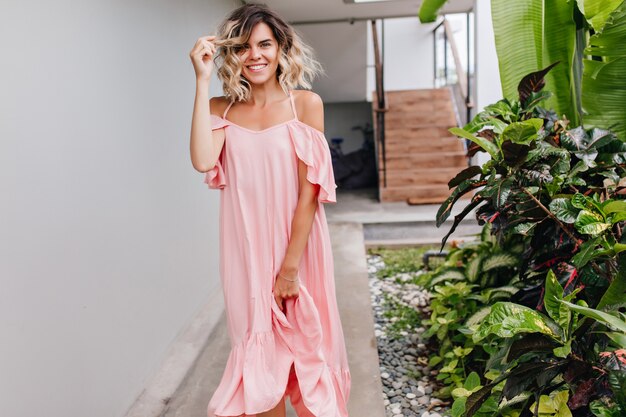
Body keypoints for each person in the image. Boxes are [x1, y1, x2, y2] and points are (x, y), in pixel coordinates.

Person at [188, 3, 351, 417]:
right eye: (242, 47)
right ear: (231, 55)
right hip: (246, 255)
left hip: (298, 252)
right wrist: (201, 81)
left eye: (264, 44)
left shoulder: (305, 105)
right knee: (261, 366)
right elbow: (203, 161)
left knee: (310, 357)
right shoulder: (219, 110)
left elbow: (309, 195)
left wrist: (290, 268)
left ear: (281, 49)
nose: (254, 55)